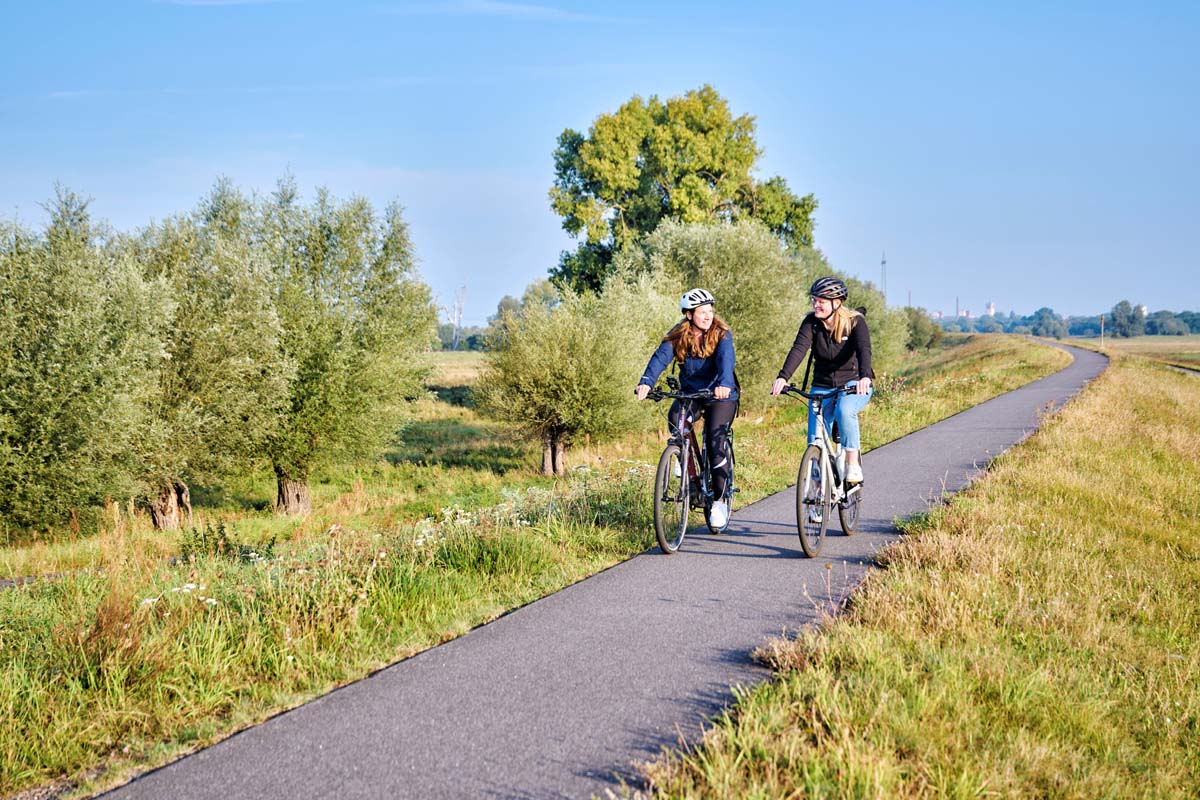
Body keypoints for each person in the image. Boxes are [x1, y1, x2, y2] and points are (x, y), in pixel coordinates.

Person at [636, 288, 738, 529]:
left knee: (715, 444)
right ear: (689, 315)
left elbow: (726, 360)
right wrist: (646, 382)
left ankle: (720, 501)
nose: (708, 316)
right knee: (676, 417)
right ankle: (686, 466)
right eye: (702, 312)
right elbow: (660, 358)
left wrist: (724, 384)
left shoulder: (721, 334)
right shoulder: (678, 335)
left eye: (710, 311)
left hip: (720, 396)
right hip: (692, 393)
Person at [771, 277, 874, 484]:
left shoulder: (855, 322)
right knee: (815, 438)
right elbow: (799, 349)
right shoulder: (812, 323)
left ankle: (852, 464)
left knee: (844, 411)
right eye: (814, 300)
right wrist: (783, 376)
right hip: (822, 385)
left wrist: (865, 376)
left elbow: (864, 349)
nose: (816, 304)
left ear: (837, 303)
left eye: (821, 301)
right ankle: (816, 488)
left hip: (853, 383)